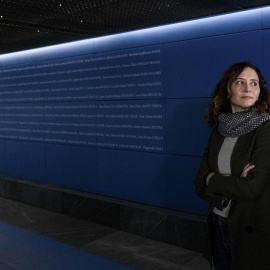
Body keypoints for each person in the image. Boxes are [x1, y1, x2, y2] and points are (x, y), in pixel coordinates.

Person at [193, 62, 270, 270]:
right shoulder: (219, 129)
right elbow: (199, 183)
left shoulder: (266, 128)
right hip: (218, 222)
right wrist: (233, 182)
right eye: (240, 82)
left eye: (254, 83)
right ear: (227, 90)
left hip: (250, 227)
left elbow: (251, 188)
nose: (248, 89)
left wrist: (214, 179)